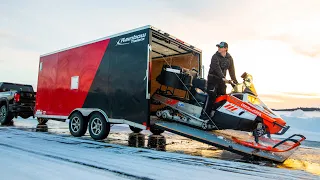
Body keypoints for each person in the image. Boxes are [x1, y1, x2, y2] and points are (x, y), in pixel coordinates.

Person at [200, 41, 238, 119]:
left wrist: (235, 82)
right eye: (218, 47)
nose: (219, 48)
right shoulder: (215, 56)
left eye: (221, 47)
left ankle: (216, 116)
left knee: (222, 97)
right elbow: (217, 69)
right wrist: (222, 77)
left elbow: (232, 71)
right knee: (212, 96)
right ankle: (205, 115)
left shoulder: (229, 58)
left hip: (221, 81)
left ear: (226, 49)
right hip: (213, 80)